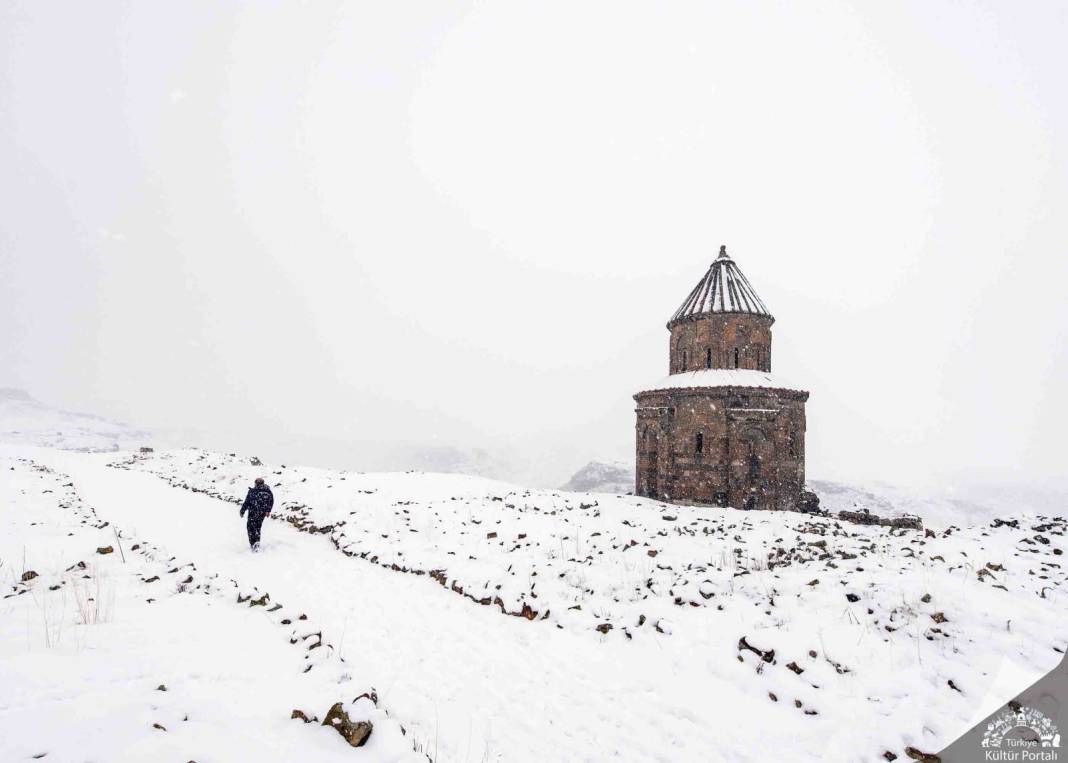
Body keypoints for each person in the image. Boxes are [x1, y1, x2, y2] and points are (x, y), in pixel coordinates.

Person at [239, 477, 274, 552]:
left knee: (251, 528)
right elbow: (271, 501)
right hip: (261, 514)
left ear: (256, 483)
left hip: (253, 512)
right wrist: (268, 510)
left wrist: (242, 511)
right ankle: (256, 542)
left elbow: (247, 502)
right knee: (257, 527)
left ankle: (253, 544)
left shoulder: (253, 491)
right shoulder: (267, 491)